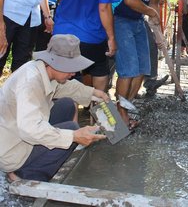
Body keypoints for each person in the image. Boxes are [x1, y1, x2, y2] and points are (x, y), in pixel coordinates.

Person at [0, 34, 110, 182]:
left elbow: (64, 87)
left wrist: (94, 93)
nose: (73, 73)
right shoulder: (30, 83)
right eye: (70, 68)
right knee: (71, 130)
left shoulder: (41, 69)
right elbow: (29, 129)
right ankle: (24, 176)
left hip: (17, 132)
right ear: (54, 63)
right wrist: (73, 136)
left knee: (67, 105)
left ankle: (51, 156)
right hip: (12, 149)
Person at [114, 0, 180, 127]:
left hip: (136, 18)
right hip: (118, 15)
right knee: (128, 70)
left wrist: (157, 29)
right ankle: (120, 113)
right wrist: (151, 11)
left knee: (143, 68)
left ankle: (128, 106)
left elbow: (153, 3)